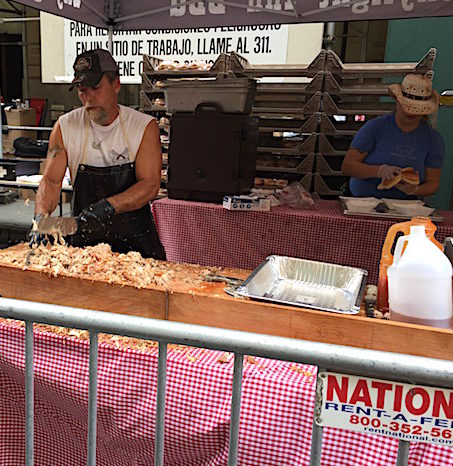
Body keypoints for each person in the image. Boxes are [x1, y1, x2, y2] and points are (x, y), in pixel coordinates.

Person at [33, 48, 166, 259]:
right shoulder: (65, 127)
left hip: (136, 245)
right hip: (85, 244)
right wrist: (40, 218)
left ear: (116, 84)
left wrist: (108, 207)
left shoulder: (143, 127)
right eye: (82, 90)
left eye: (95, 88)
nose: (88, 98)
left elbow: (150, 184)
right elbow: (50, 182)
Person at [341, 73, 445, 199]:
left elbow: (433, 183)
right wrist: (379, 171)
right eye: (408, 107)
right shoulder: (375, 127)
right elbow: (348, 166)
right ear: (397, 101)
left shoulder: (433, 139)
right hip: (363, 201)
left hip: (406, 207)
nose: (411, 112)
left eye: (417, 109)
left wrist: (415, 190)